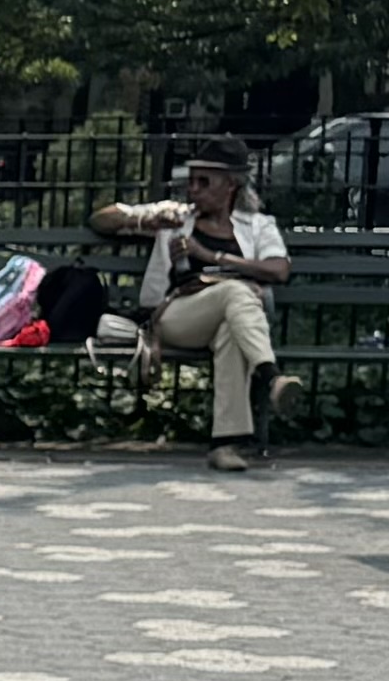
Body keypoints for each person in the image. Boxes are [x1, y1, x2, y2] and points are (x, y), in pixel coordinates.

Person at [92, 150, 297, 469]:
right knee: (237, 290)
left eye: (204, 182)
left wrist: (213, 256)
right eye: (191, 182)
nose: (193, 190)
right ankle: (271, 376)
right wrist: (145, 219)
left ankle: (224, 445)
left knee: (232, 327)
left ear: (230, 185)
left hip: (229, 318)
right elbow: (100, 218)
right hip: (176, 315)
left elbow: (279, 270)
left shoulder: (258, 225)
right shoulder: (176, 217)